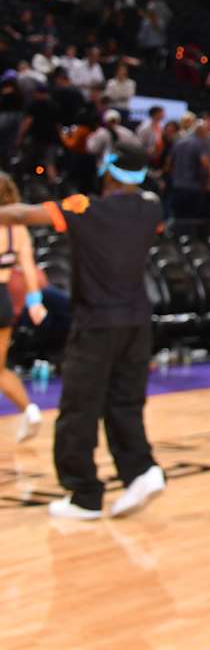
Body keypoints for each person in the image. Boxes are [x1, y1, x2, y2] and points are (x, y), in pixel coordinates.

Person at [0, 144, 167, 519]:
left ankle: (84, 495)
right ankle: (141, 470)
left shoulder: (83, 206)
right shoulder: (151, 208)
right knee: (124, 403)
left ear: (108, 169)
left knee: (79, 407)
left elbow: (24, 214)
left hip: (96, 324)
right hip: (137, 323)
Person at [0, 171, 49, 442]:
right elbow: (29, 268)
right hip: (3, 301)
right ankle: (30, 410)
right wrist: (35, 302)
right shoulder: (17, 230)